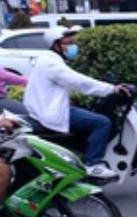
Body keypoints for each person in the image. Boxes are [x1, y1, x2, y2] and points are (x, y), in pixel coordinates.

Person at [24, 26, 129, 179]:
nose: (72, 47)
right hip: (51, 113)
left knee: (87, 115)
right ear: (56, 45)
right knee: (102, 122)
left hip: (45, 109)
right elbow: (79, 82)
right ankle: (93, 164)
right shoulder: (52, 64)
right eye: (68, 43)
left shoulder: (48, 60)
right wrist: (111, 89)